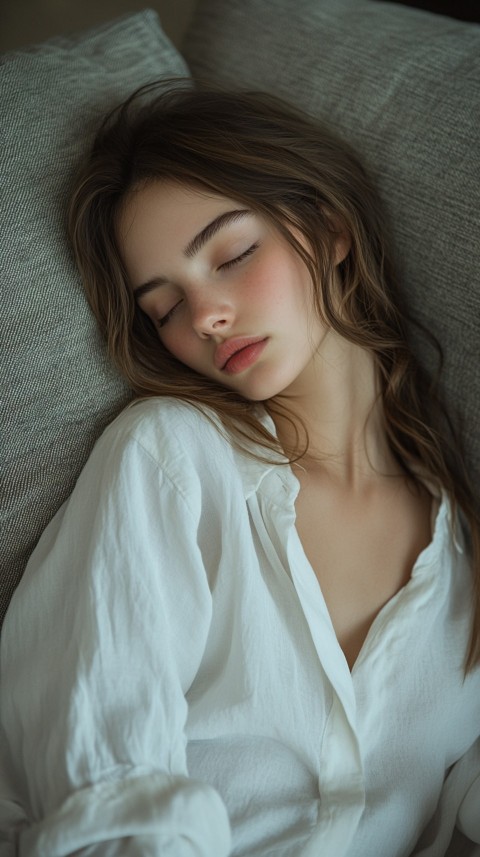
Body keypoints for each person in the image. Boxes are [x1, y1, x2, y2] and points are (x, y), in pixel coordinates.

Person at [0, 81, 479, 857]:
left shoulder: (459, 550)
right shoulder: (170, 458)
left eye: (232, 255)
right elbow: (107, 794)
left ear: (328, 227)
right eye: (164, 308)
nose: (205, 316)